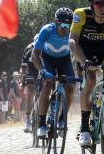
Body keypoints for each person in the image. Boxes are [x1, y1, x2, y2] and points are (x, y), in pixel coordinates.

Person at [70, 0, 104, 147]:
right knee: (90, 80)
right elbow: (72, 42)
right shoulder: (81, 14)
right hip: (84, 52)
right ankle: (84, 128)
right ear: (92, 5)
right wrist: (84, 62)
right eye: (99, 3)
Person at [31, 8, 76, 138]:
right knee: (48, 83)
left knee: (70, 88)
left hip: (64, 61)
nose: (65, 28)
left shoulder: (72, 33)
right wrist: (43, 71)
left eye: (68, 25)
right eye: (62, 25)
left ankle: (62, 118)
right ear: (56, 23)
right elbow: (35, 55)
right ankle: (41, 123)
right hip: (47, 59)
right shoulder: (47, 30)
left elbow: (78, 52)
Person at [21, 35, 40, 133]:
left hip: (41, 69)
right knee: (30, 89)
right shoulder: (28, 49)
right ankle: (27, 118)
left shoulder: (46, 47)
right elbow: (24, 67)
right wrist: (24, 78)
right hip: (31, 70)